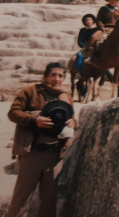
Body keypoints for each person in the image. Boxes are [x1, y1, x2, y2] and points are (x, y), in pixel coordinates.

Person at [7, 62, 77, 217]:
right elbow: (13, 113)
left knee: (49, 200)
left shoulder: (67, 97)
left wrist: (74, 122)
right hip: (32, 153)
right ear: (45, 76)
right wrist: (34, 120)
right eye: (53, 75)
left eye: (60, 75)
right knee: (21, 199)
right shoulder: (30, 92)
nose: (57, 79)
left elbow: (71, 119)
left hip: (55, 155)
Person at [86, 0, 119, 69]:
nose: (113, 1)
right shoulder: (103, 9)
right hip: (105, 28)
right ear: (109, 0)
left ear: (117, 0)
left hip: (117, 29)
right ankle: (90, 56)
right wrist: (101, 26)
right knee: (93, 37)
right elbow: (98, 20)